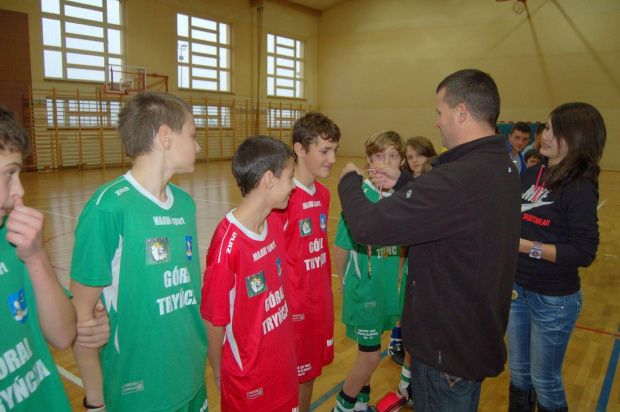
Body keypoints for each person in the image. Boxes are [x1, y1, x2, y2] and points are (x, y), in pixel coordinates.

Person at [337, 69, 522, 411]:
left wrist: (348, 180)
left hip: (444, 353)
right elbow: (456, 212)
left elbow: (366, 226)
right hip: (471, 335)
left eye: (440, 112)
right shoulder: (500, 166)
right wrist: (406, 182)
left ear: (461, 112)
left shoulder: (458, 179)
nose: (437, 122)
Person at [70, 91, 208, 411]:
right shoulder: (108, 208)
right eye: (193, 135)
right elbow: (81, 321)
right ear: (166, 137)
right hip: (140, 390)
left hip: (190, 375)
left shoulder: (185, 204)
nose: (198, 146)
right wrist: (95, 402)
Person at [507, 102, 606, 412]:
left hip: (553, 300)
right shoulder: (535, 171)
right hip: (517, 290)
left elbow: (584, 251)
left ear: (577, 138)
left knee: (545, 380)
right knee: (519, 374)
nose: (544, 135)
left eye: (553, 130)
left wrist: (526, 247)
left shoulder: (579, 186)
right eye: (546, 127)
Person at [201, 135, 299, 412]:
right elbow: (212, 323)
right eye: (290, 177)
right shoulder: (226, 248)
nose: (292, 186)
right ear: (269, 180)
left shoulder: (275, 224)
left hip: (283, 370)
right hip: (250, 386)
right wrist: (221, 375)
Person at [0, 105, 76, 411]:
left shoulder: (12, 239)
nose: (19, 190)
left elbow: (63, 334)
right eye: (8, 174)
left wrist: (36, 257)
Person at [272, 112, 340, 412]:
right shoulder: (281, 199)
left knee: (309, 376)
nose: (332, 159)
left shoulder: (323, 194)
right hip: (292, 312)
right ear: (300, 149)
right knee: (288, 381)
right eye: (324, 151)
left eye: (334, 150)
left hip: (318, 306)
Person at [332, 130, 404, 412]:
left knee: (369, 353)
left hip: (386, 289)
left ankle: (361, 404)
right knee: (371, 358)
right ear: (367, 160)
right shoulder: (360, 197)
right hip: (364, 291)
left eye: (393, 156)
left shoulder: (401, 196)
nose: (386, 162)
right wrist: (344, 281)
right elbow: (340, 246)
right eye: (378, 156)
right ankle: (342, 407)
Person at [388, 136, 439, 367]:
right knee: (405, 302)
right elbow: (404, 236)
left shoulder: (437, 183)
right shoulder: (406, 186)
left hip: (432, 262)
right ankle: (396, 339)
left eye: (419, 155)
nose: (415, 160)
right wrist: (400, 267)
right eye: (410, 157)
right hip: (412, 260)